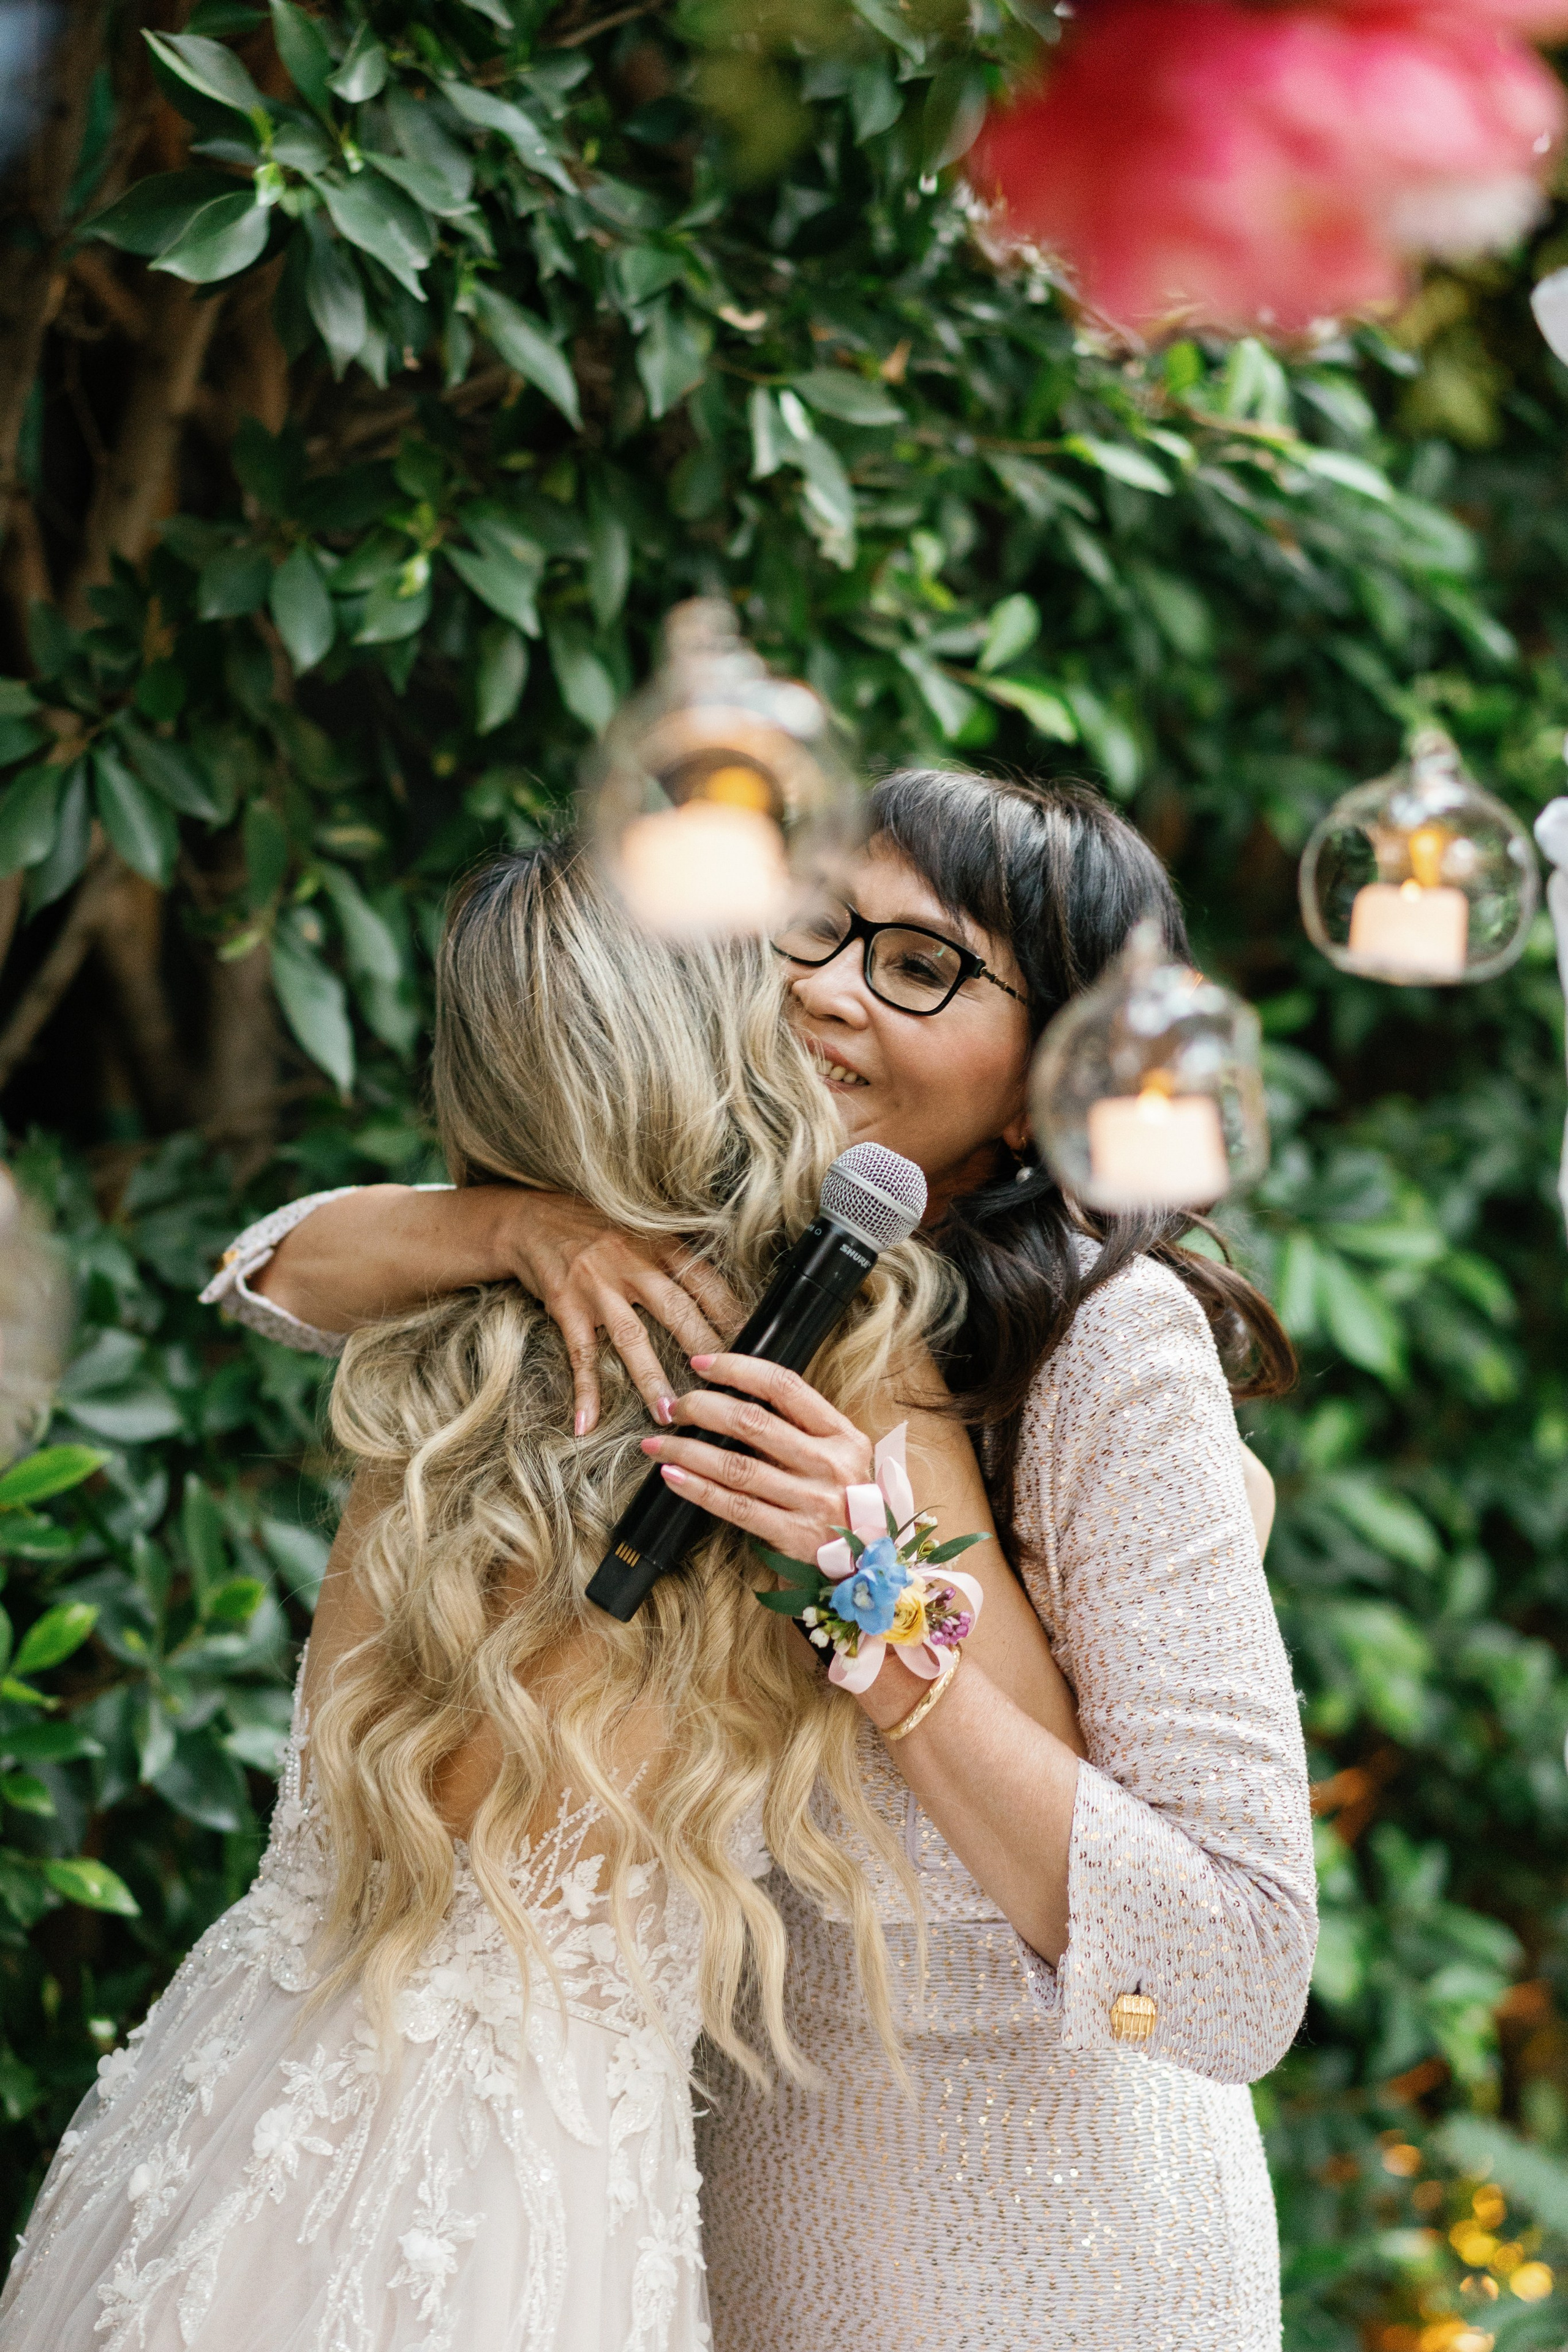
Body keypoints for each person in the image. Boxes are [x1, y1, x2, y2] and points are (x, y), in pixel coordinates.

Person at [198, 772, 1315, 2350]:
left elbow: (1226, 1977)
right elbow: (270, 1268)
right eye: (810, 929)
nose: (823, 990)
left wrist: (871, 1592)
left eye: (918, 967)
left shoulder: (1103, 1350)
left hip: (1039, 2241)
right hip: (703, 2221)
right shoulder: (703, 1255)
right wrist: (512, 1228)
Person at [0, 843, 1073, 2352]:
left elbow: (257, 1263)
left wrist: (498, 1229)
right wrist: (877, 1568)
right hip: (536, 2168)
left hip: (242, 2096)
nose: (824, 1001)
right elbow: (1048, 1783)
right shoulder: (850, 1370)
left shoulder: (438, 1325)